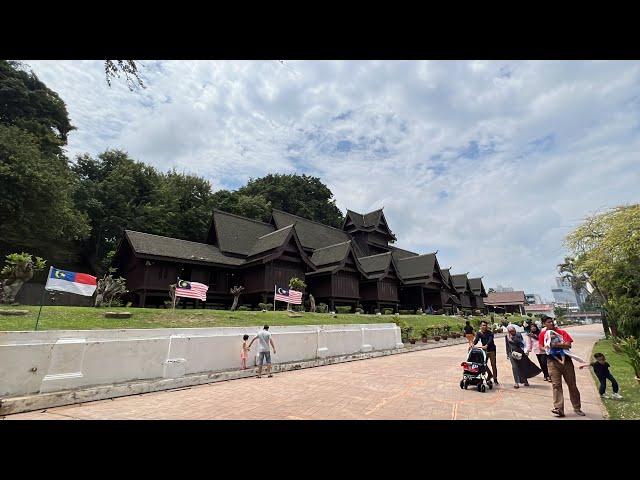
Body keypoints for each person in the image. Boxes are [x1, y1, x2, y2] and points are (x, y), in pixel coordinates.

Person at [539, 315, 585, 417]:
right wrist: (546, 348)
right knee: (556, 385)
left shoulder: (562, 332)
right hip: (552, 361)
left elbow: (568, 344)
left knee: (572, 384)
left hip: (566, 361)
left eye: (552, 321)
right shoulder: (543, 334)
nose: (551, 323)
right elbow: (541, 346)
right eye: (548, 322)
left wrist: (556, 345)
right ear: (544, 324)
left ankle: (577, 407)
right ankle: (559, 409)